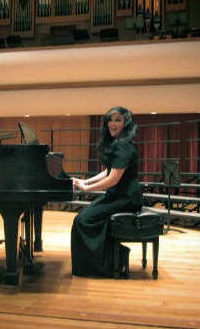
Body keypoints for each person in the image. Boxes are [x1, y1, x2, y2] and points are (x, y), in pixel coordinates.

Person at [71, 106, 143, 278]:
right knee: (84, 218)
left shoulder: (124, 146)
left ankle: (111, 262)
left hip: (126, 198)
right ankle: (113, 258)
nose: (112, 123)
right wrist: (85, 181)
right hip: (118, 195)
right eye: (110, 120)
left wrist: (87, 189)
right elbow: (108, 171)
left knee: (83, 220)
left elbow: (113, 179)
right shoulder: (118, 143)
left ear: (126, 123)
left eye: (118, 120)